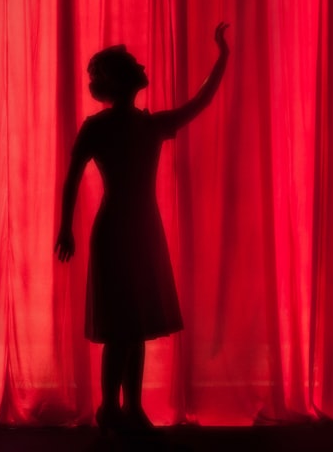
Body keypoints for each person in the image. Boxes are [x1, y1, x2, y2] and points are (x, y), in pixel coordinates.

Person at [55, 23, 231, 433]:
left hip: (140, 230)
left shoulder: (147, 124)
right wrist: (65, 228)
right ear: (116, 80)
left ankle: (128, 407)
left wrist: (222, 55)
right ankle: (111, 409)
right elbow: (71, 179)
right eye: (131, 64)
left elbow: (201, 102)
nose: (140, 64)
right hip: (117, 231)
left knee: (134, 328)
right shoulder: (101, 127)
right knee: (122, 327)